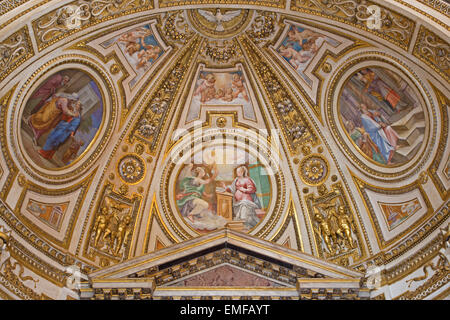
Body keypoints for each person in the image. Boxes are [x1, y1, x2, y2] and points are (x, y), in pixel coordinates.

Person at [220, 165, 261, 229]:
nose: (237, 173)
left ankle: (248, 225)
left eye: (239, 171)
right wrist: (225, 187)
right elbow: (232, 188)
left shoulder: (247, 179)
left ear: (242, 172)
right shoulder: (236, 180)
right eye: (237, 172)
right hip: (238, 202)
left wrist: (243, 189)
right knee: (239, 215)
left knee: (244, 214)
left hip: (246, 201)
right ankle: (244, 225)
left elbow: (252, 189)